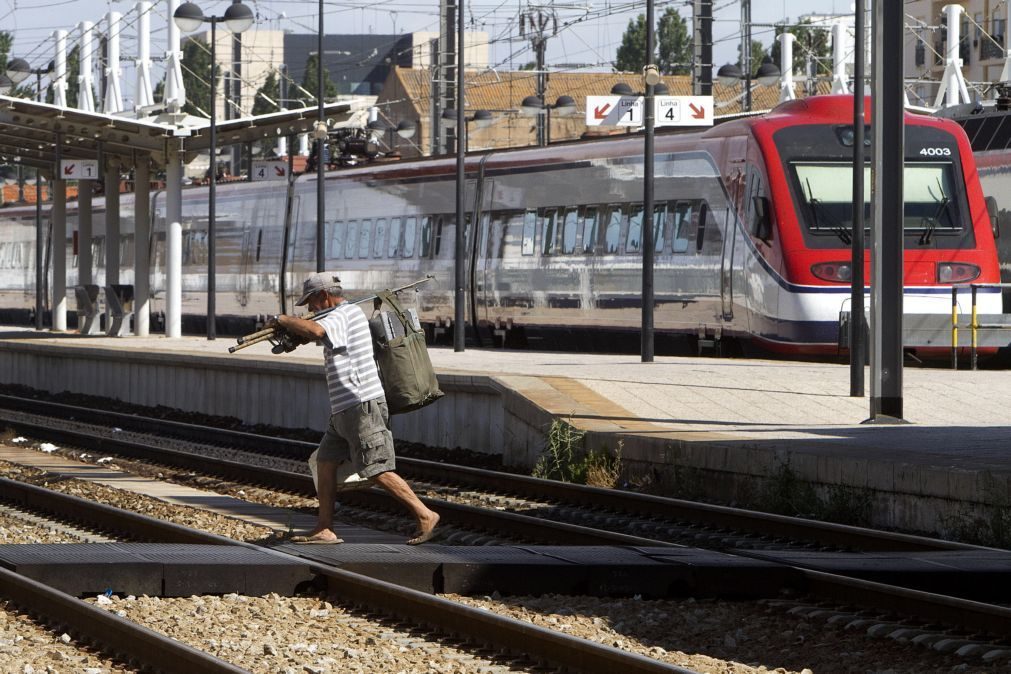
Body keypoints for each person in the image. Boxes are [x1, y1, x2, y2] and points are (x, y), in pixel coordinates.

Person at [268, 272, 440, 545]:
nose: (310, 309)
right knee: (325, 463)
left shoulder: (343, 315)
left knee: (376, 467)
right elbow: (317, 333)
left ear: (324, 295)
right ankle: (325, 528)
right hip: (343, 410)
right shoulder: (335, 317)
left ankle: (425, 514)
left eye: (311, 302)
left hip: (361, 405)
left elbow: (317, 331)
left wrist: (282, 319)